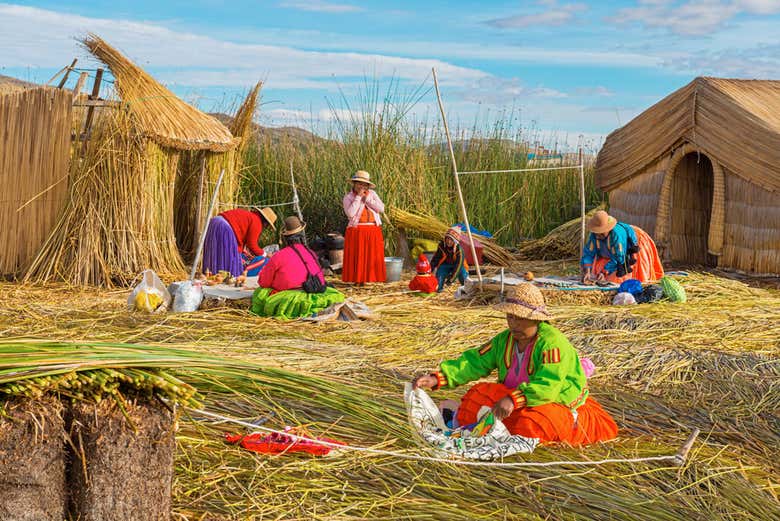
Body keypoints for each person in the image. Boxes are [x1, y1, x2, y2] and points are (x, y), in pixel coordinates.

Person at [412, 284, 618, 446]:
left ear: (536, 319)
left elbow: (548, 385)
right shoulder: (504, 340)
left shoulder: (553, 344)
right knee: (475, 397)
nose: (514, 324)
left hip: (551, 403)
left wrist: (514, 399)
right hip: (513, 399)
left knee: (531, 426)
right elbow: (474, 362)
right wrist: (438, 378)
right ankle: (464, 419)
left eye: (520, 318)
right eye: (510, 317)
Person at [251, 216, 345, 320]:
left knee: (261, 293)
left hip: (291, 299)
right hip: (316, 294)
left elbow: (263, 282)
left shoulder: (279, 256)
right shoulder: (311, 253)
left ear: (285, 238)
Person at [581, 210, 664, 285]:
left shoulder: (617, 236)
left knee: (623, 275)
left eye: (601, 232)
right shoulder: (595, 235)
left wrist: (604, 272)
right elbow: (589, 252)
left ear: (608, 229)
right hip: (612, 252)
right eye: (597, 232)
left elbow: (619, 258)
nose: (598, 235)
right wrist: (587, 271)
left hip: (631, 243)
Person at [203, 207, 277, 276]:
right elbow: (252, 245)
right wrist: (266, 254)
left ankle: (211, 275)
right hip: (224, 227)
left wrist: (244, 251)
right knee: (229, 261)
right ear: (266, 222)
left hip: (214, 223)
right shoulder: (257, 222)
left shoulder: (250, 216)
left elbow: (241, 236)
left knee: (217, 254)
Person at [342, 170, 386, 284]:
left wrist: (367, 200)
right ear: (354, 184)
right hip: (357, 230)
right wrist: (358, 198)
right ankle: (358, 280)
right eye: (359, 183)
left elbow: (381, 208)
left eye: (365, 184)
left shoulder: (372, 194)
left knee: (372, 256)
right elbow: (350, 213)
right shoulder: (348, 197)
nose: (362, 186)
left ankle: (371, 280)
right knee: (359, 255)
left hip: (373, 229)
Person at [431, 226, 468, 292]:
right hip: (445, 265)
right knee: (440, 273)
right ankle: (439, 289)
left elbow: (458, 265)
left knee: (462, 274)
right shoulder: (441, 245)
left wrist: (451, 279)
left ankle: (466, 288)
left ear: (455, 241)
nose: (448, 241)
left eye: (451, 240)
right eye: (447, 238)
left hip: (458, 267)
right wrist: (430, 270)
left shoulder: (459, 250)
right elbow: (436, 258)